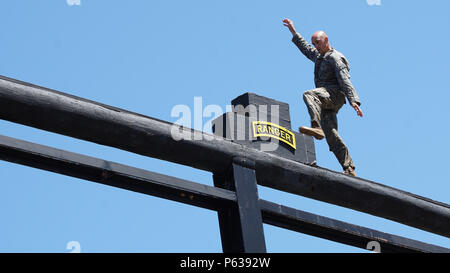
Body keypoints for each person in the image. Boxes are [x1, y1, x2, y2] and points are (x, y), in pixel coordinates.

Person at [282, 18, 363, 177]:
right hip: (325, 101)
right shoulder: (318, 56)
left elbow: (345, 79)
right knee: (331, 134)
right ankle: (349, 168)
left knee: (309, 94)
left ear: (326, 40)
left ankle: (316, 126)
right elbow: (305, 49)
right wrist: (293, 30)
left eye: (318, 43)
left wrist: (354, 101)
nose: (316, 46)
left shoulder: (335, 58)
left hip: (335, 95)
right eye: (314, 43)